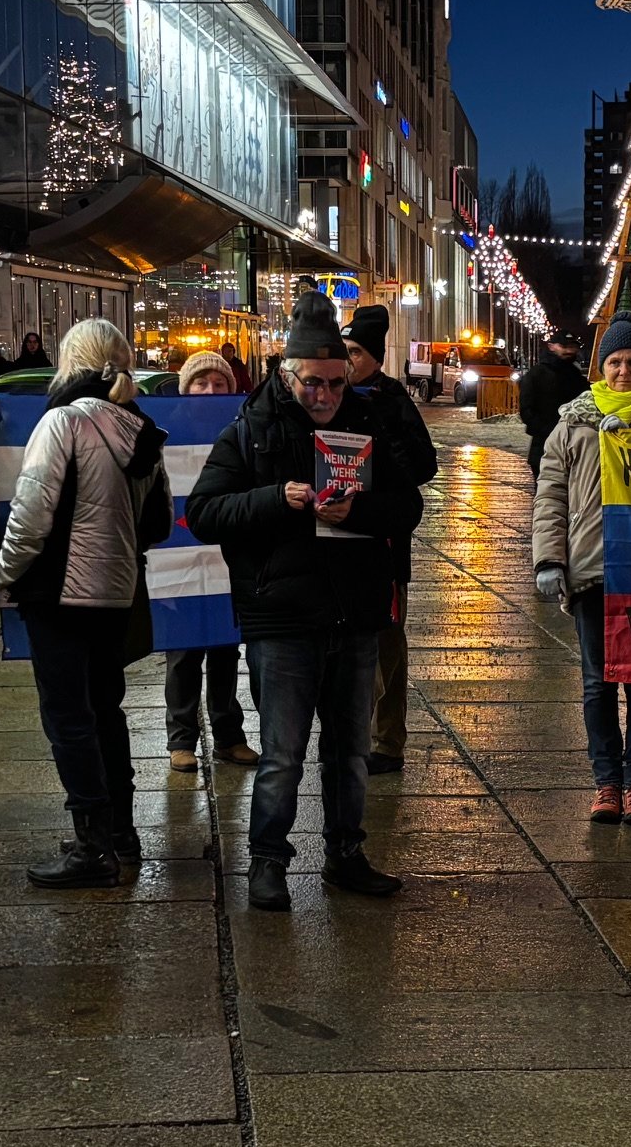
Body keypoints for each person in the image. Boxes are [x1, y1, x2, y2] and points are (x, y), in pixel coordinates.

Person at [186, 289, 417, 912]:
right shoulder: (251, 430)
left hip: (356, 610)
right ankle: (268, 863)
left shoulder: (364, 422)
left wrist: (360, 509)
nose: (326, 396)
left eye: (337, 384)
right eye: (314, 383)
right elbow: (204, 513)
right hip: (282, 615)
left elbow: (409, 505)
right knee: (283, 753)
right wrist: (275, 500)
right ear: (288, 375)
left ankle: (346, 852)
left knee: (349, 752)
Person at [0, 319, 174, 887]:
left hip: (59, 592)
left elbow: (31, 514)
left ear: (69, 364)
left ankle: (92, 847)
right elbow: (160, 523)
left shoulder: (63, 422)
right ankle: (121, 832)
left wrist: (1, 575)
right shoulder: (142, 427)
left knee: (68, 717)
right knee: (104, 709)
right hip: (117, 591)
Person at [532, 315, 631, 825]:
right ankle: (606, 782)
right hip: (591, 569)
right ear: (599, 369)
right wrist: (549, 558)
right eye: (614, 362)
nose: (624, 370)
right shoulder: (573, 423)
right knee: (597, 682)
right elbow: (550, 495)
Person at [344, 305, 436, 775]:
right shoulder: (329, 397)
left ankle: (386, 741)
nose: (348, 359)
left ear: (376, 357)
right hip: (339, 545)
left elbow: (423, 466)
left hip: (385, 547)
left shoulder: (393, 399)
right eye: (343, 350)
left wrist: (382, 451)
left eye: (356, 351)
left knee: (387, 644)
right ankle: (349, 734)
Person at [166, 350, 255, 773]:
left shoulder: (241, 430)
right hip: (182, 559)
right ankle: (180, 739)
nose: (210, 391)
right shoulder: (166, 431)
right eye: (201, 383)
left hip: (228, 559)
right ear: (186, 388)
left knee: (224, 650)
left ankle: (228, 736)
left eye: (219, 384)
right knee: (182, 654)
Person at [518, 331, 588, 474]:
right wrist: (550, 431)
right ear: (551, 346)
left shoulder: (575, 375)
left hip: (573, 448)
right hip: (544, 447)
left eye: (573, 346)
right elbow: (527, 410)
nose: (569, 350)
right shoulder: (537, 374)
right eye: (564, 346)